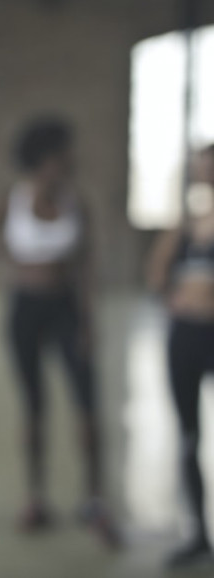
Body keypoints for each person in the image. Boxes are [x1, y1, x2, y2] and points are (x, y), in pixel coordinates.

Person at [0, 116, 117, 545]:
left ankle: (94, 498)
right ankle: (34, 497)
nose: (70, 160)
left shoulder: (78, 202)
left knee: (86, 403)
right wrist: (16, 262)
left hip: (67, 308)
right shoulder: (13, 200)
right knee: (33, 404)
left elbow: (88, 269)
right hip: (25, 308)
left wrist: (89, 322)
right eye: (63, 153)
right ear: (44, 159)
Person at [146, 143, 214, 568]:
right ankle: (199, 534)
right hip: (186, 337)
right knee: (189, 436)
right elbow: (155, 274)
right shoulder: (185, 228)